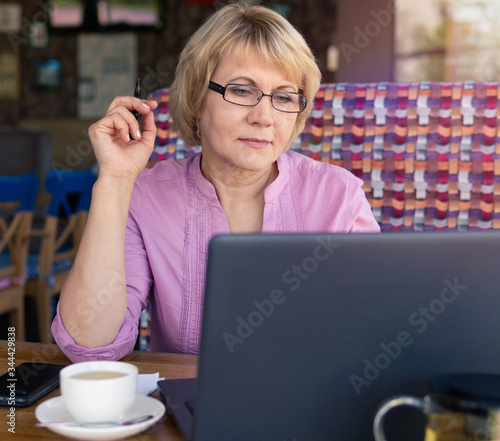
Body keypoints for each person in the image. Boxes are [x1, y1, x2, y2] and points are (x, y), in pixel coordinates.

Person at [52, 1, 380, 362]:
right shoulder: (148, 195)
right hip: (186, 410)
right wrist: (115, 181)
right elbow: (90, 345)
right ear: (196, 99)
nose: (264, 117)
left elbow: (371, 334)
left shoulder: (339, 196)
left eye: (284, 97)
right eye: (241, 90)